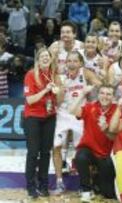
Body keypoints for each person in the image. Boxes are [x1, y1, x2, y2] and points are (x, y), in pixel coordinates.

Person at [52, 51, 102, 194]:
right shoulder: (61, 77)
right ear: (65, 63)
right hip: (63, 114)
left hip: (80, 114)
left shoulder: (85, 73)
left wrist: (94, 85)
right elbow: (58, 101)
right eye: (69, 61)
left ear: (80, 63)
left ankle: (84, 184)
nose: (72, 64)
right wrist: (61, 90)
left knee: (83, 149)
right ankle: (59, 182)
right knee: (56, 146)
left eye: (75, 61)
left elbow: (99, 84)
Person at [69, 84, 118, 202]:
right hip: (89, 150)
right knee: (80, 157)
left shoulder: (117, 110)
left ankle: (96, 180)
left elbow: (114, 137)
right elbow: (72, 110)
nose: (105, 96)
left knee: (108, 194)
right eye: (102, 93)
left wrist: (106, 129)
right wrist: (82, 93)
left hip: (106, 155)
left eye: (108, 94)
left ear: (113, 97)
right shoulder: (90, 107)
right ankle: (86, 190)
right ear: (98, 94)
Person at [23, 48, 61, 199]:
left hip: (50, 117)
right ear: (38, 59)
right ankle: (30, 186)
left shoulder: (54, 75)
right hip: (33, 117)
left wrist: (59, 91)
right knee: (33, 152)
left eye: (48, 56)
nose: (45, 58)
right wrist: (45, 90)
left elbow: (58, 100)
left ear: (51, 59)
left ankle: (43, 184)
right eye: (42, 56)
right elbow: (30, 100)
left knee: (46, 153)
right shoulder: (31, 75)